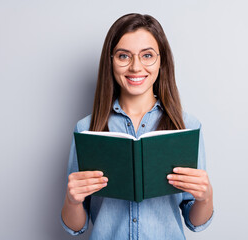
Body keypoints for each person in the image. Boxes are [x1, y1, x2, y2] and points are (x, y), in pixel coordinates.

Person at [61, 13, 214, 239]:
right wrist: (72, 200)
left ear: (161, 61)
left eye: (147, 55)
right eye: (124, 56)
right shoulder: (87, 129)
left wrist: (205, 197)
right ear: (110, 60)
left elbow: (195, 220)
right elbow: (76, 225)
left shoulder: (186, 126)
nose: (135, 67)